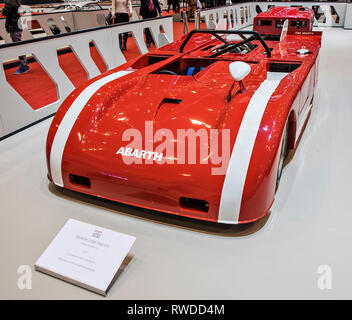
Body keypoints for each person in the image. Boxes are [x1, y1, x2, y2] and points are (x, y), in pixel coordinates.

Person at [2, 0, 29, 74]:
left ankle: (24, 66)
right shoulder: (15, 2)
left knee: (18, 46)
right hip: (17, 25)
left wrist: (2, 10)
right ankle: (24, 65)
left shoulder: (10, 1)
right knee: (18, 45)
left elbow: (5, 13)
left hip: (14, 27)